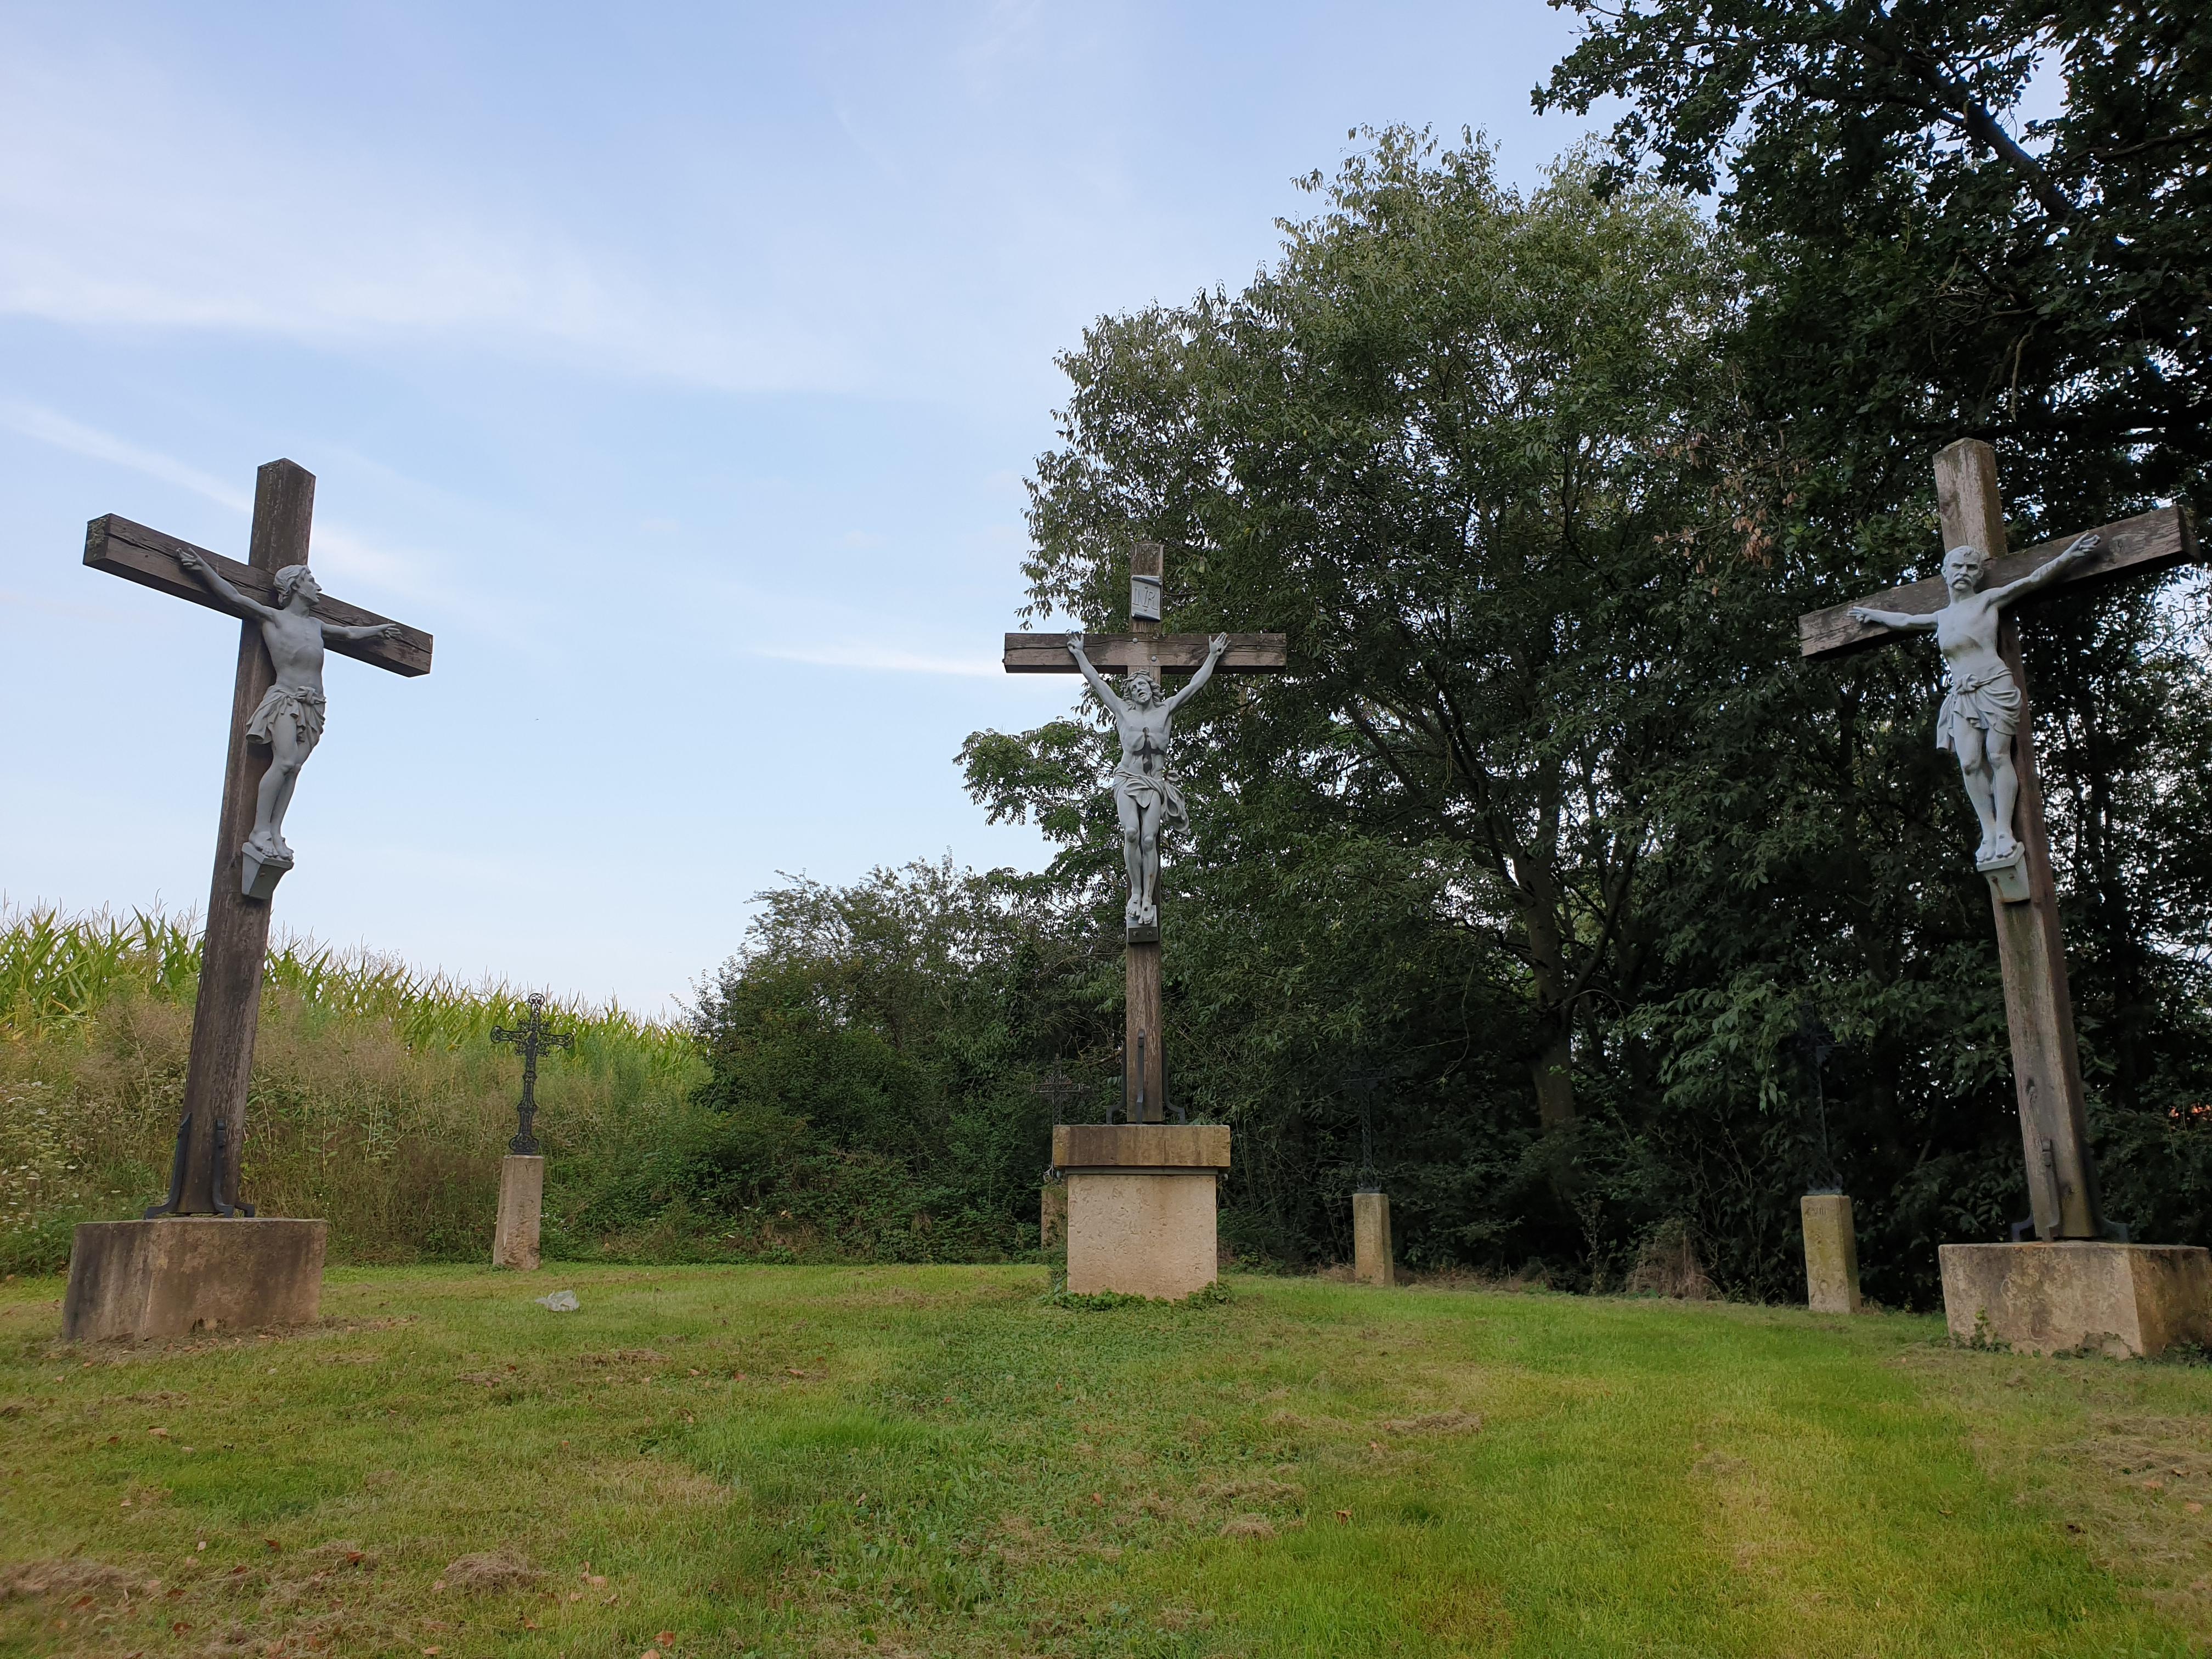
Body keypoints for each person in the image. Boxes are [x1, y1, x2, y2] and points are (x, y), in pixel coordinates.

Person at [1851, 532, 2099, 864]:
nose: (1964, 572)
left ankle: (2005, 833)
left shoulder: (1987, 601)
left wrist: (2068, 556)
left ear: (1978, 575)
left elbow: (2033, 580)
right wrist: (1876, 614)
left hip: (1995, 686)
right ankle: (1989, 829)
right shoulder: (1942, 617)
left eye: (1971, 567)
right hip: (1962, 695)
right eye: (1957, 566)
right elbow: (1907, 620)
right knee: (1969, 764)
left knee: (1998, 757)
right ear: (1945, 571)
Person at [172, 551, 402, 874]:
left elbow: (349, 634)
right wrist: (204, 570)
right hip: (286, 700)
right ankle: (259, 830)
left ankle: (276, 831)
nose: (318, 588)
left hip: (314, 706)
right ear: (294, 586)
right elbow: (234, 596)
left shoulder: (317, 626)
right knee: (282, 762)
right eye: (311, 581)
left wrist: (378, 630)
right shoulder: (275, 618)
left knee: (294, 769)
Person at [1066, 629, 1229, 929]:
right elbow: (1098, 683)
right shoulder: (1122, 711)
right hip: (1127, 779)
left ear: (1151, 689)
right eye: (1135, 686)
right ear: (1130, 692)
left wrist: (1213, 656)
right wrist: (1079, 654)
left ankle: (1149, 899)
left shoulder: (1165, 710)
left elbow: (1194, 686)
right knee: (1131, 833)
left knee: (1149, 838)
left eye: (1144, 684)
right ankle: (1136, 892)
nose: (1140, 688)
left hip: (1155, 782)